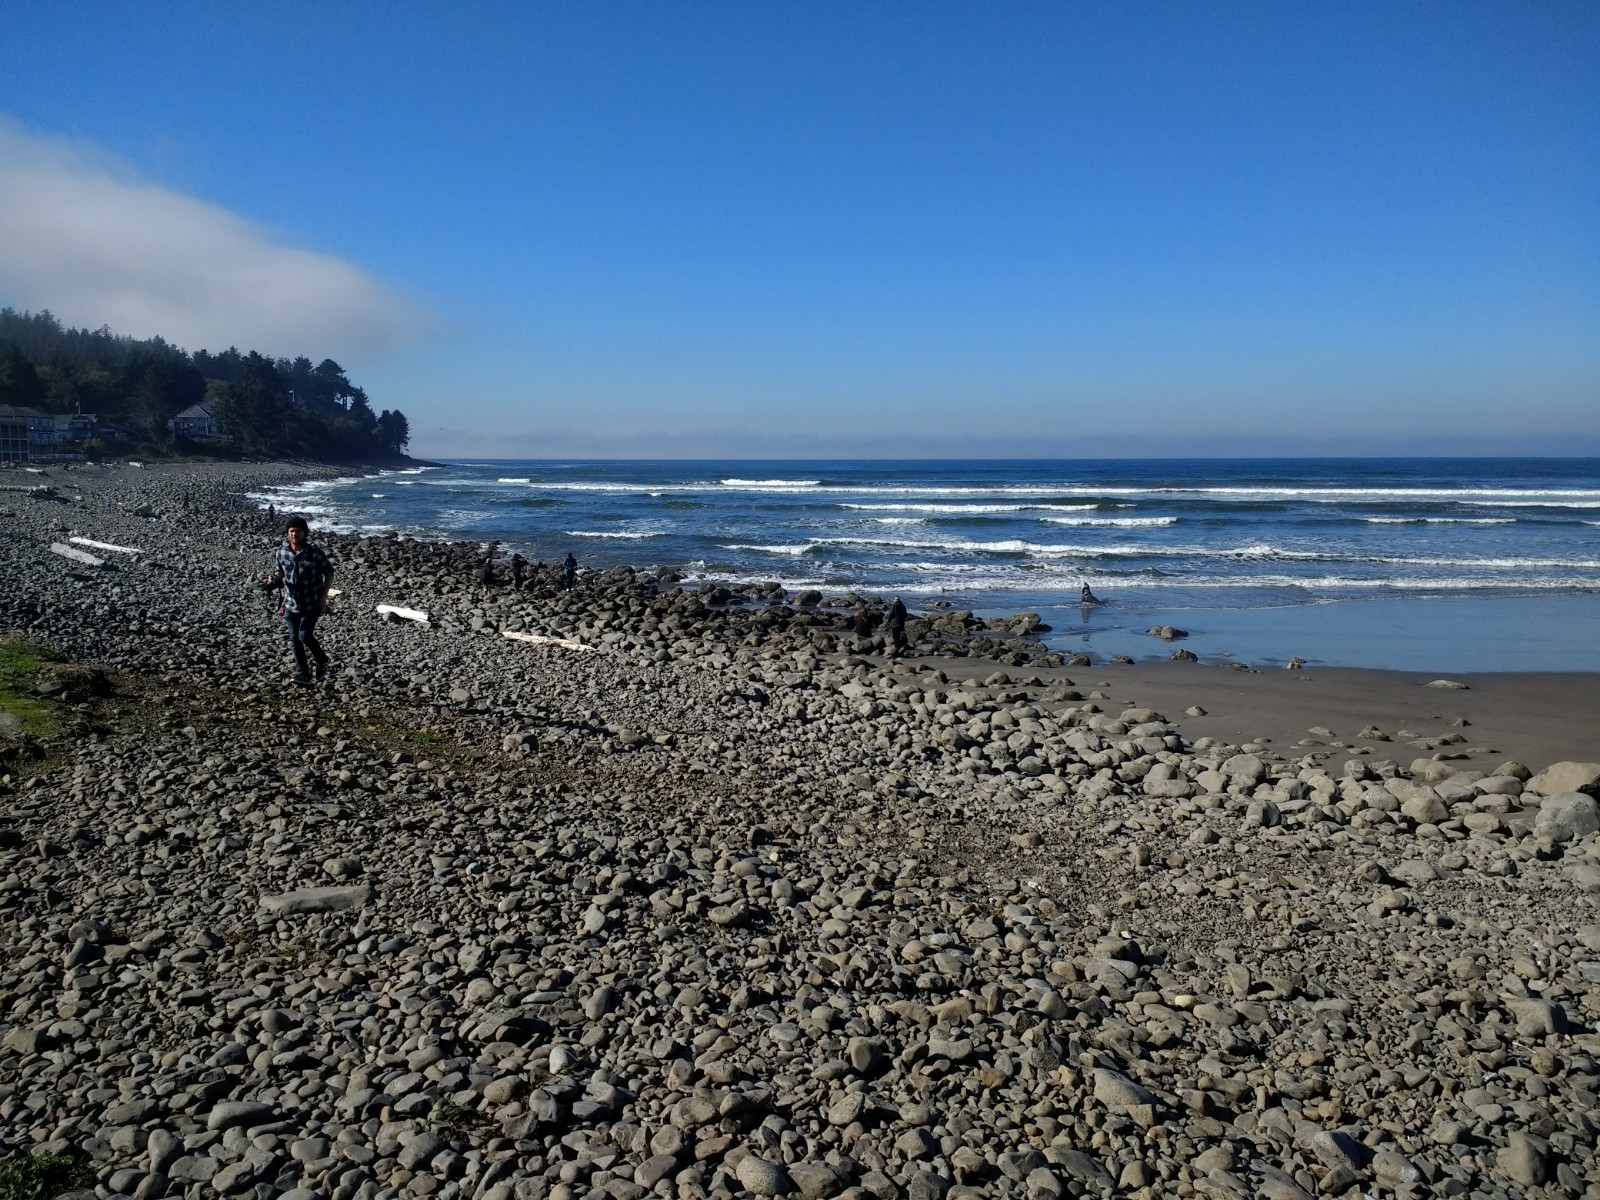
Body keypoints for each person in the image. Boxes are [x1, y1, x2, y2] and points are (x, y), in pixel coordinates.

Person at [267, 516, 334, 685]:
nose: (294, 534)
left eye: (298, 531)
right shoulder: (281, 552)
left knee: (304, 635)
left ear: (305, 533)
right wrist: (275, 578)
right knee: (294, 638)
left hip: (311, 603)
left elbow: (329, 573)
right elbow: (279, 570)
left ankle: (322, 659)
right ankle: (302, 673)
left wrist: (324, 598)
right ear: (287, 533)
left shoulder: (315, 554)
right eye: (291, 531)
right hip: (290, 604)